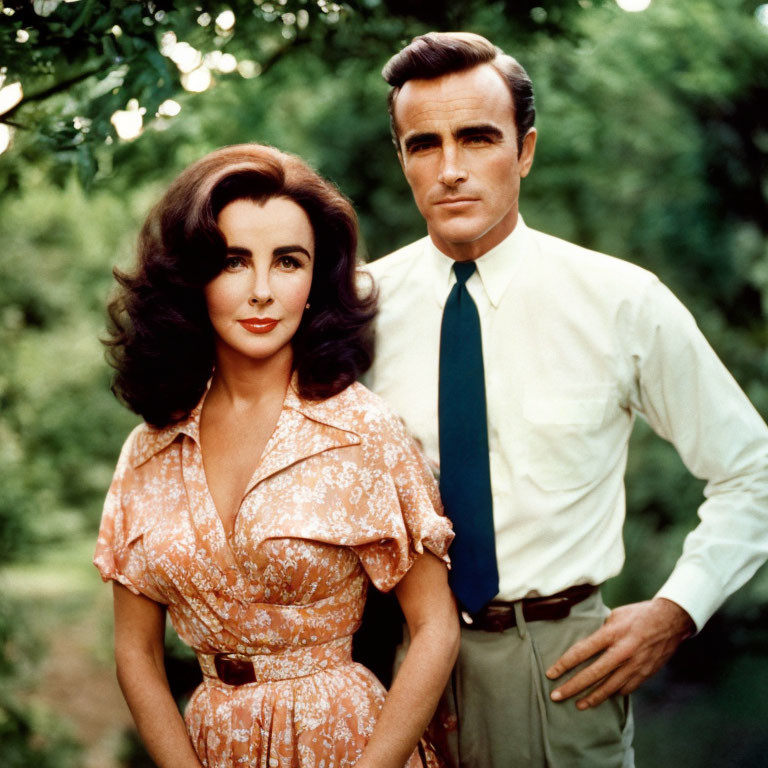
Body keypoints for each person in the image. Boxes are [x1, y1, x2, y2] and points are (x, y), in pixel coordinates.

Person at [365, 31, 768, 767]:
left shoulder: (620, 302)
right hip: (395, 671)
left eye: (478, 138)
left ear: (524, 150)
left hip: (561, 671)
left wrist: (678, 610)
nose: (451, 169)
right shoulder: (356, 310)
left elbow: (754, 470)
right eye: (425, 144)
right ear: (402, 160)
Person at [94, 143, 459, 768]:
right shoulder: (148, 450)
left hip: (346, 741)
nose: (262, 291)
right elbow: (137, 654)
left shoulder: (363, 432)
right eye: (234, 262)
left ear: (317, 280)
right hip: (211, 744)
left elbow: (435, 628)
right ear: (192, 277)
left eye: (287, 262)